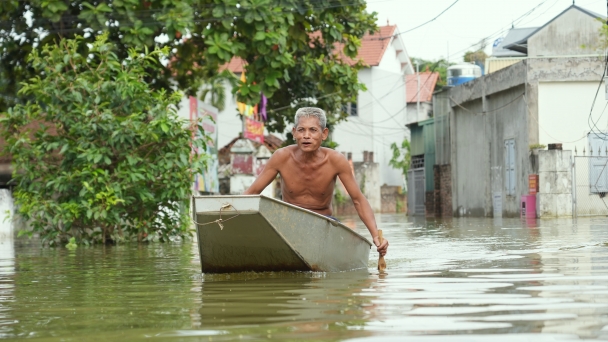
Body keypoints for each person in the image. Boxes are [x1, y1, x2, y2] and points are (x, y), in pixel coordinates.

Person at [244, 107, 389, 256]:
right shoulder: (281, 157)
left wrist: (376, 236)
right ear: (294, 133)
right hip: (289, 224)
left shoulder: (336, 160)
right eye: (301, 130)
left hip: (323, 223)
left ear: (324, 134)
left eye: (313, 130)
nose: (306, 136)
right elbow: (251, 193)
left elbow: (358, 199)